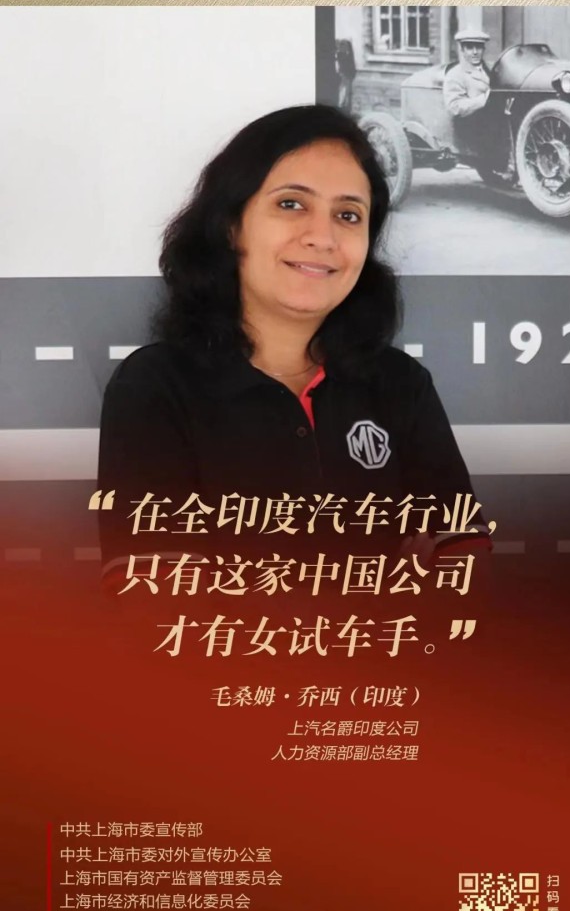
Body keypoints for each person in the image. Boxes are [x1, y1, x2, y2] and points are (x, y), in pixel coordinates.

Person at [98, 104, 488, 575]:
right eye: (291, 204)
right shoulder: (155, 385)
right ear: (230, 226)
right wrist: (385, 590)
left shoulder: (401, 383)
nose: (323, 237)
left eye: (348, 215)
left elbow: (463, 570)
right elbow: (160, 599)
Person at [443, 28, 491, 118]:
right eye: (469, 48)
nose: (475, 52)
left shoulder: (492, 69)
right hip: (471, 124)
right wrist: (485, 98)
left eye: (479, 47)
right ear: (462, 50)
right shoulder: (455, 74)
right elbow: (454, 108)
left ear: (484, 49)